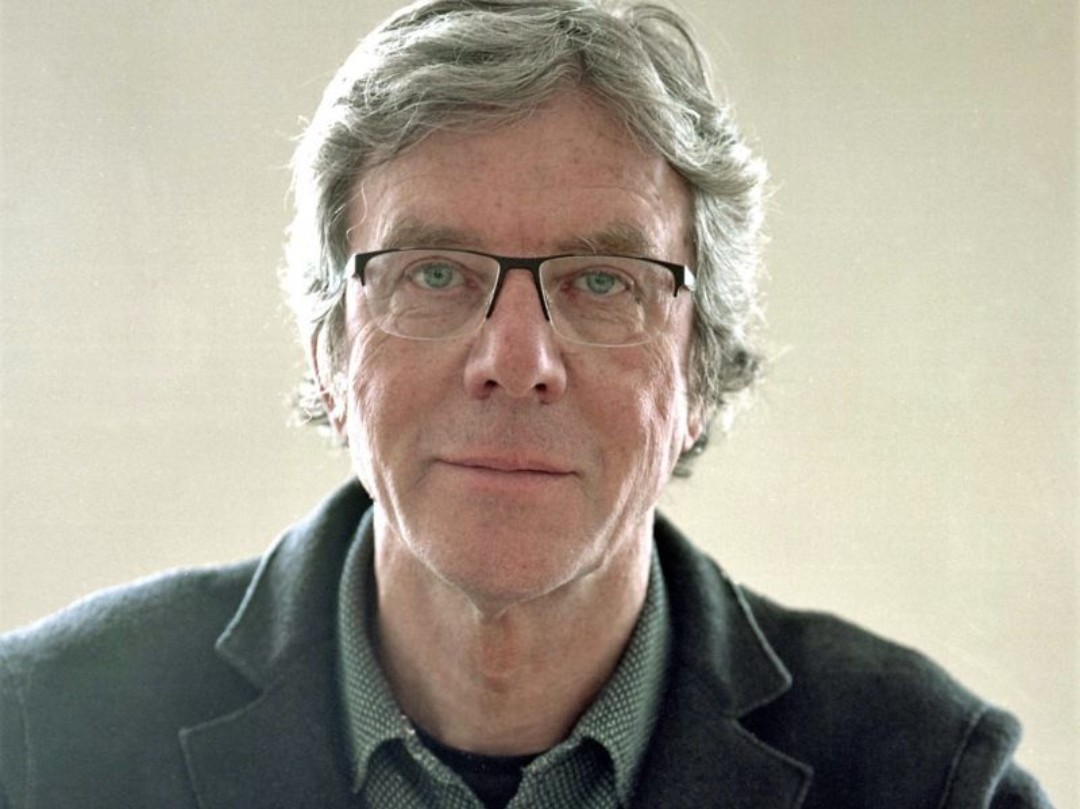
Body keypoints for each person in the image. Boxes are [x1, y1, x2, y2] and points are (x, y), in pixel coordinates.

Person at [0, 0, 1053, 806]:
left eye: (602, 282)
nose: (516, 360)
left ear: (698, 370)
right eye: (433, 273)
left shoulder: (930, 778)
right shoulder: (43, 737)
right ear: (329, 351)